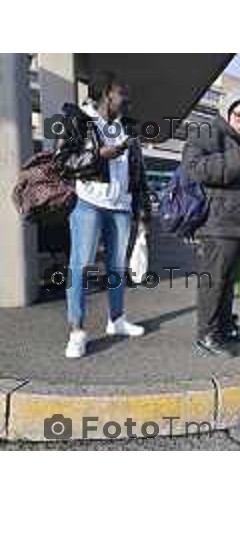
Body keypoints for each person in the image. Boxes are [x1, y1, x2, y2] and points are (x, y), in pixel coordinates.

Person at [55, 71, 151, 358]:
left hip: (120, 207)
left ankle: (117, 320)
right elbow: (61, 162)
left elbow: (139, 173)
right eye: (122, 93)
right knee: (80, 266)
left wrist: (144, 213)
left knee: (117, 268)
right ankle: (76, 331)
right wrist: (99, 156)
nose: (127, 99)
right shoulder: (78, 120)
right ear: (107, 94)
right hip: (88, 204)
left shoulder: (128, 128)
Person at [183, 93, 240, 355]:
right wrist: (239, 158)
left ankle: (225, 326)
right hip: (217, 224)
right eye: (238, 115)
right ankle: (206, 334)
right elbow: (194, 169)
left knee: (229, 281)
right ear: (226, 112)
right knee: (213, 281)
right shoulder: (207, 132)